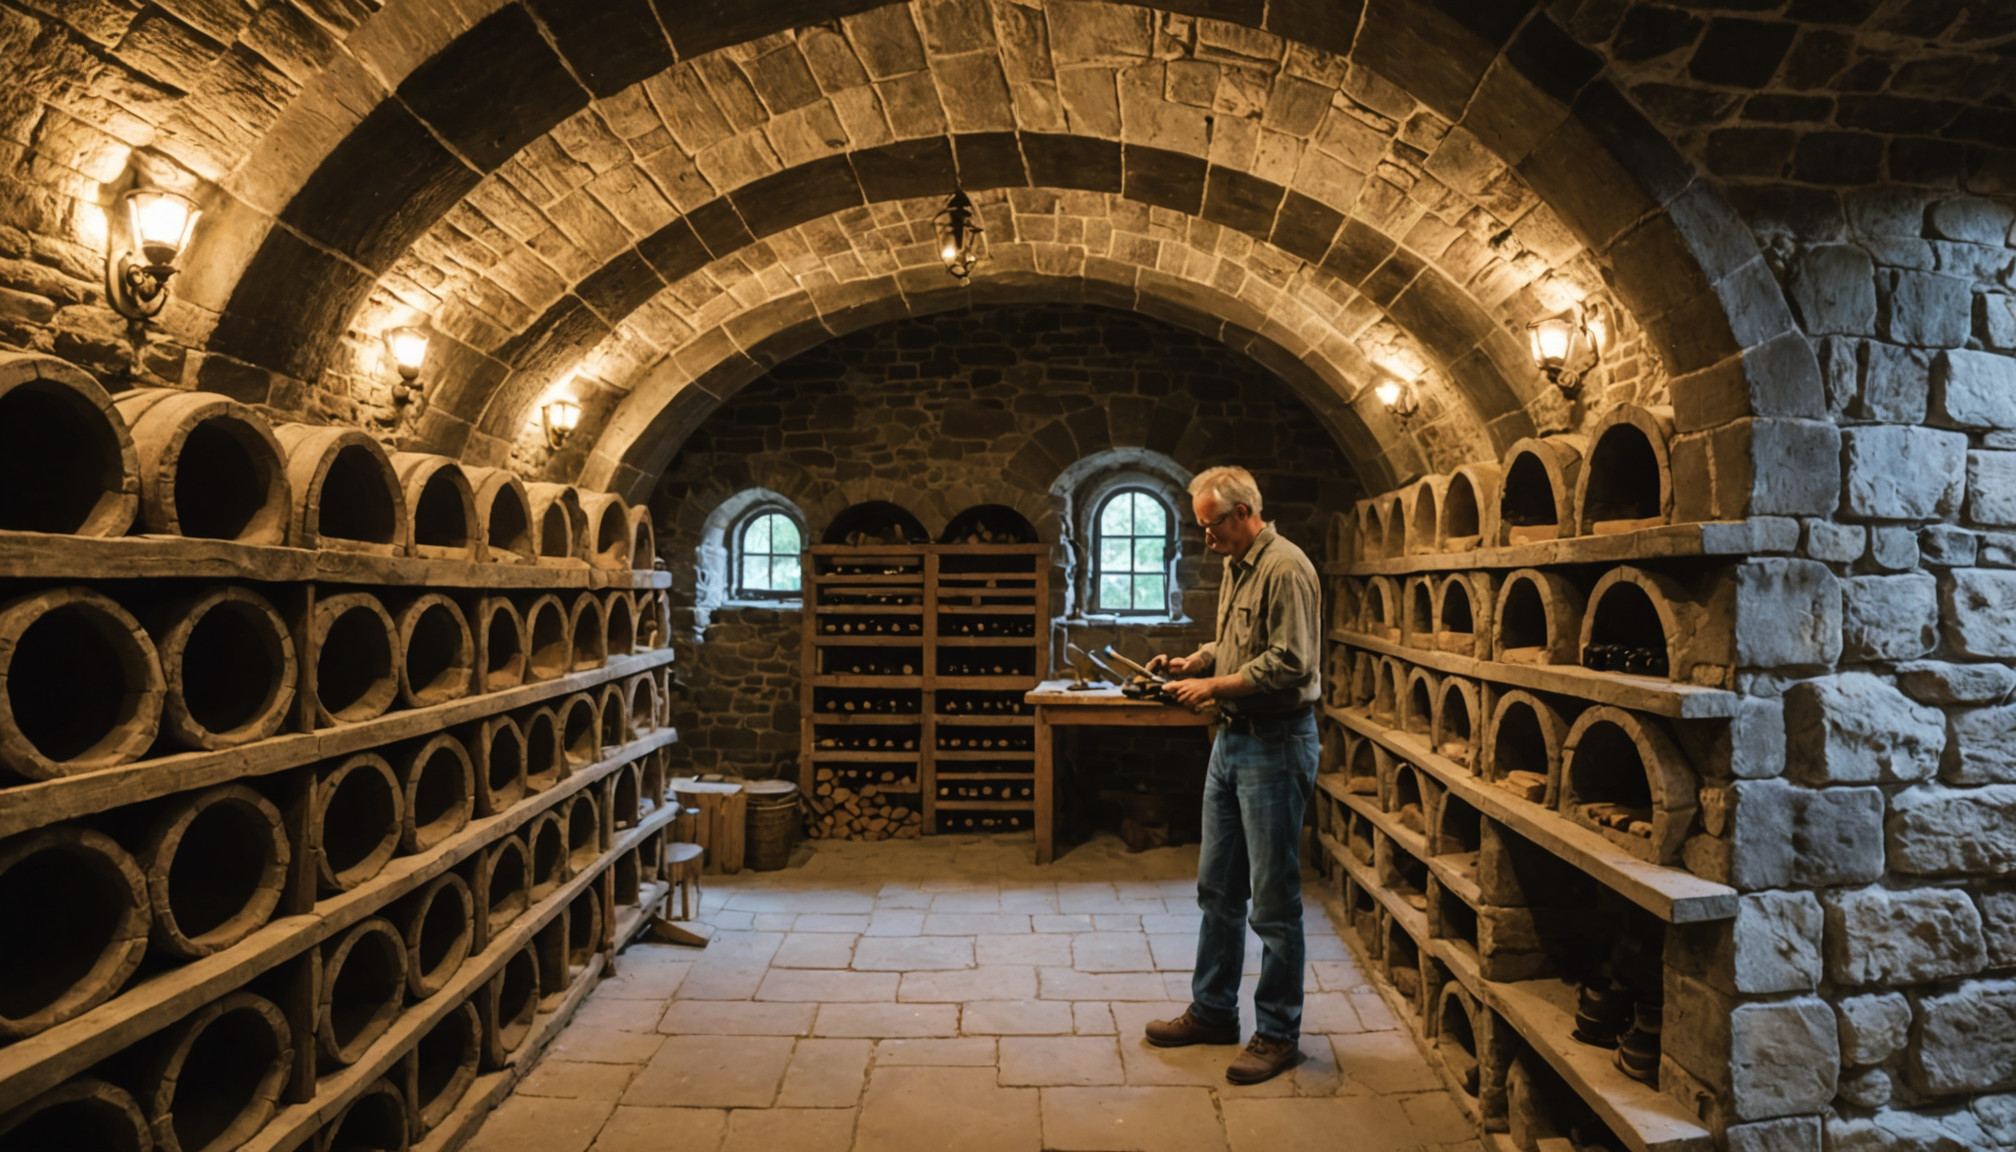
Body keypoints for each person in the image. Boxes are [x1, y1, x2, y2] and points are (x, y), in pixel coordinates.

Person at [1143, 465, 1322, 1084]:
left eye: (1210, 525)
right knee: (1218, 891)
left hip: (1275, 746)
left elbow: (1291, 662)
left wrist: (1211, 685)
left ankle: (1277, 1034)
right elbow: (1240, 645)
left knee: (1273, 903)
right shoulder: (1237, 563)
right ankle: (1215, 1011)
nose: (1205, 538)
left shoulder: (1287, 567)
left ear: (1243, 512)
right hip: (1232, 743)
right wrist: (1198, 658)